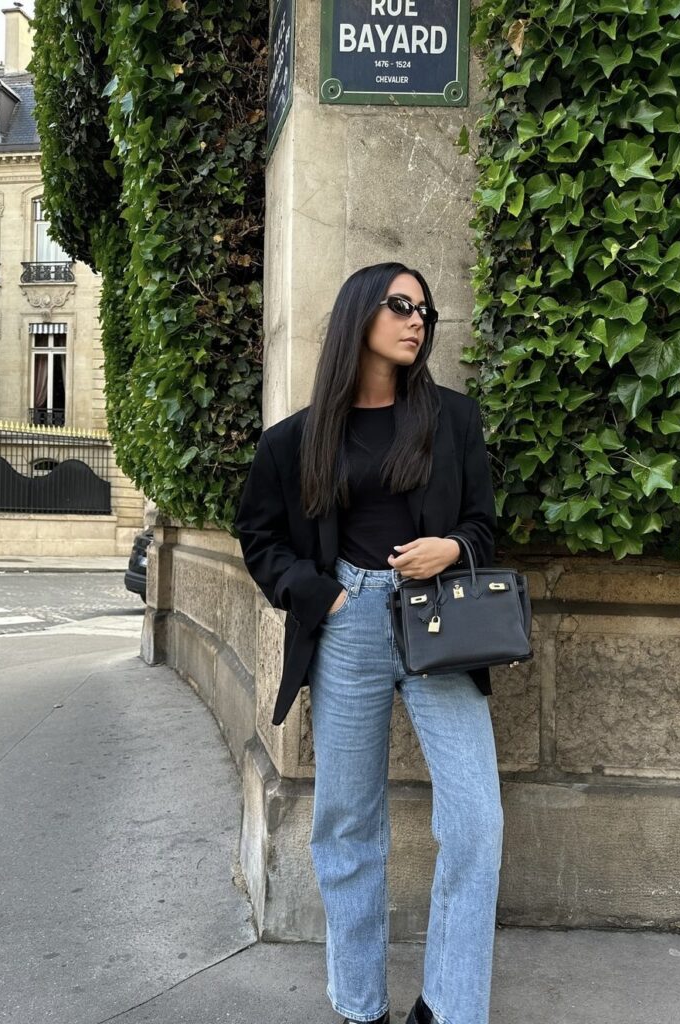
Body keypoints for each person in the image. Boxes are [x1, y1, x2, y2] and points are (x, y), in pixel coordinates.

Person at [234, 262, 503, 1024]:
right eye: (399, 305)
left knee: (477, 821)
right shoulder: (294, 440)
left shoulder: (453, 419)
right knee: (347, 822)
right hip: (348, 627)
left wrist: (450, 548)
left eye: (424, 309)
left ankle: (450, 1008)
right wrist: (323, 592)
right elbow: (259, 537)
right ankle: (360, 1007)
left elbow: (482, 522)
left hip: (436, 626)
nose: (417, 319)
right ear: (361, 314)